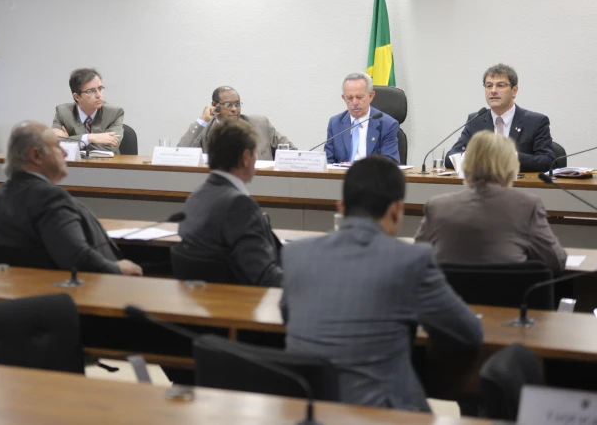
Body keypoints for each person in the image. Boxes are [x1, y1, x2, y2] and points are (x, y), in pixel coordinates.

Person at [280, 156, 482, 411]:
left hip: (309, 410)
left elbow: (288, 316)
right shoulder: (411, 260)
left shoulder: (296, 254)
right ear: (397, 209)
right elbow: (468, 333)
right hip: (381, 414)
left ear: (341, 207)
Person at [0, 121, 142, 275]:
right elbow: (78, 258)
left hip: (24, 286)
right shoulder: (49, 197)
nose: (66, 153)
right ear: (36, 155)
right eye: (57, 146)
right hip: (81, 287)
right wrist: (118, 269)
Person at [416, 131, 566, 274]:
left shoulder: (437, 206)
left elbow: (418, 258)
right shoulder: (528, 206)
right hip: (508, 298)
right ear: (511, 166)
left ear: (466, 164)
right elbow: (557, 261)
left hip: (450, 298)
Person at [178, 118, 283, 287]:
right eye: (255, 152)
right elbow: (263, 274)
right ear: (246, 158)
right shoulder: (238, 206)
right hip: (245, 301)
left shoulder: (196, 196)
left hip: (207, 300)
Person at [446, 63, 555, 172]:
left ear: (514, 90)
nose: (493, 90)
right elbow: (450, 158)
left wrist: (507, 156)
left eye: (500, 85)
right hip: (483, 185)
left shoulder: (536, 122)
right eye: (489, 85)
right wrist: (476, 157)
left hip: (520, 186)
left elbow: (548, 161)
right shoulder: (475, 120)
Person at [177, 86, 295, 160]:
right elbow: (181, 155)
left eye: (237, 104)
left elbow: (291, 152)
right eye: (228, 105)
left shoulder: (261, 124)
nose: (234, 109)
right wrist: (202, 121)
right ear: (214, 106)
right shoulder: (203, 130)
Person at [325, 73, 400, 164]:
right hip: (341, 177)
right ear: (344, 98)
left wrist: (357, 167)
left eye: (359, 97)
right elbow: (328, 160)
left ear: (371, 96)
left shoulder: (388, 124)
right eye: (349, 98)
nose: (355, 102)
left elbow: (390, 162)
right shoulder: (335, 123)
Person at [51, 68, 124, 154]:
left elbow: (109, 147)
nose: (99, 95)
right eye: (91, 91)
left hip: (106, 166)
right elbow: (53, 144)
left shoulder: (114, 113)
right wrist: (90, 138)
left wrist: (69, 141)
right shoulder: (63, 112)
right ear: (77, 97)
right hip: (74, 167)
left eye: (100, 89)